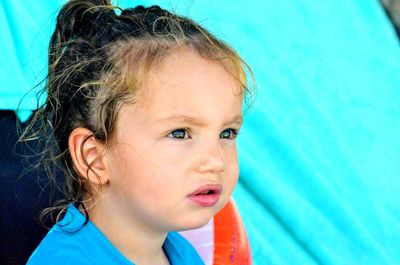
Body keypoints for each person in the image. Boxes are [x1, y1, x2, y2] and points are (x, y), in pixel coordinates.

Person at [24, 0, 253, 264]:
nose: (216, 161)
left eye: (227, 133)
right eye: (179, 133)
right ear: (94, 157)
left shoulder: (179, 252)